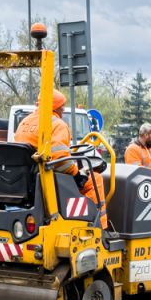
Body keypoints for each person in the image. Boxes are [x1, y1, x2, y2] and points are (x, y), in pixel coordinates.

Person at [16, 89, 107, 228]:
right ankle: (97, 226)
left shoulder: (24, 123)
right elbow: (61, 160)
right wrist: (77, 174)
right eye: (61, 107)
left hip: (25, 179)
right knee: (95, 180)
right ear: (55, 107)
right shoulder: (57, 125)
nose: (63, 110)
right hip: (48, 179)